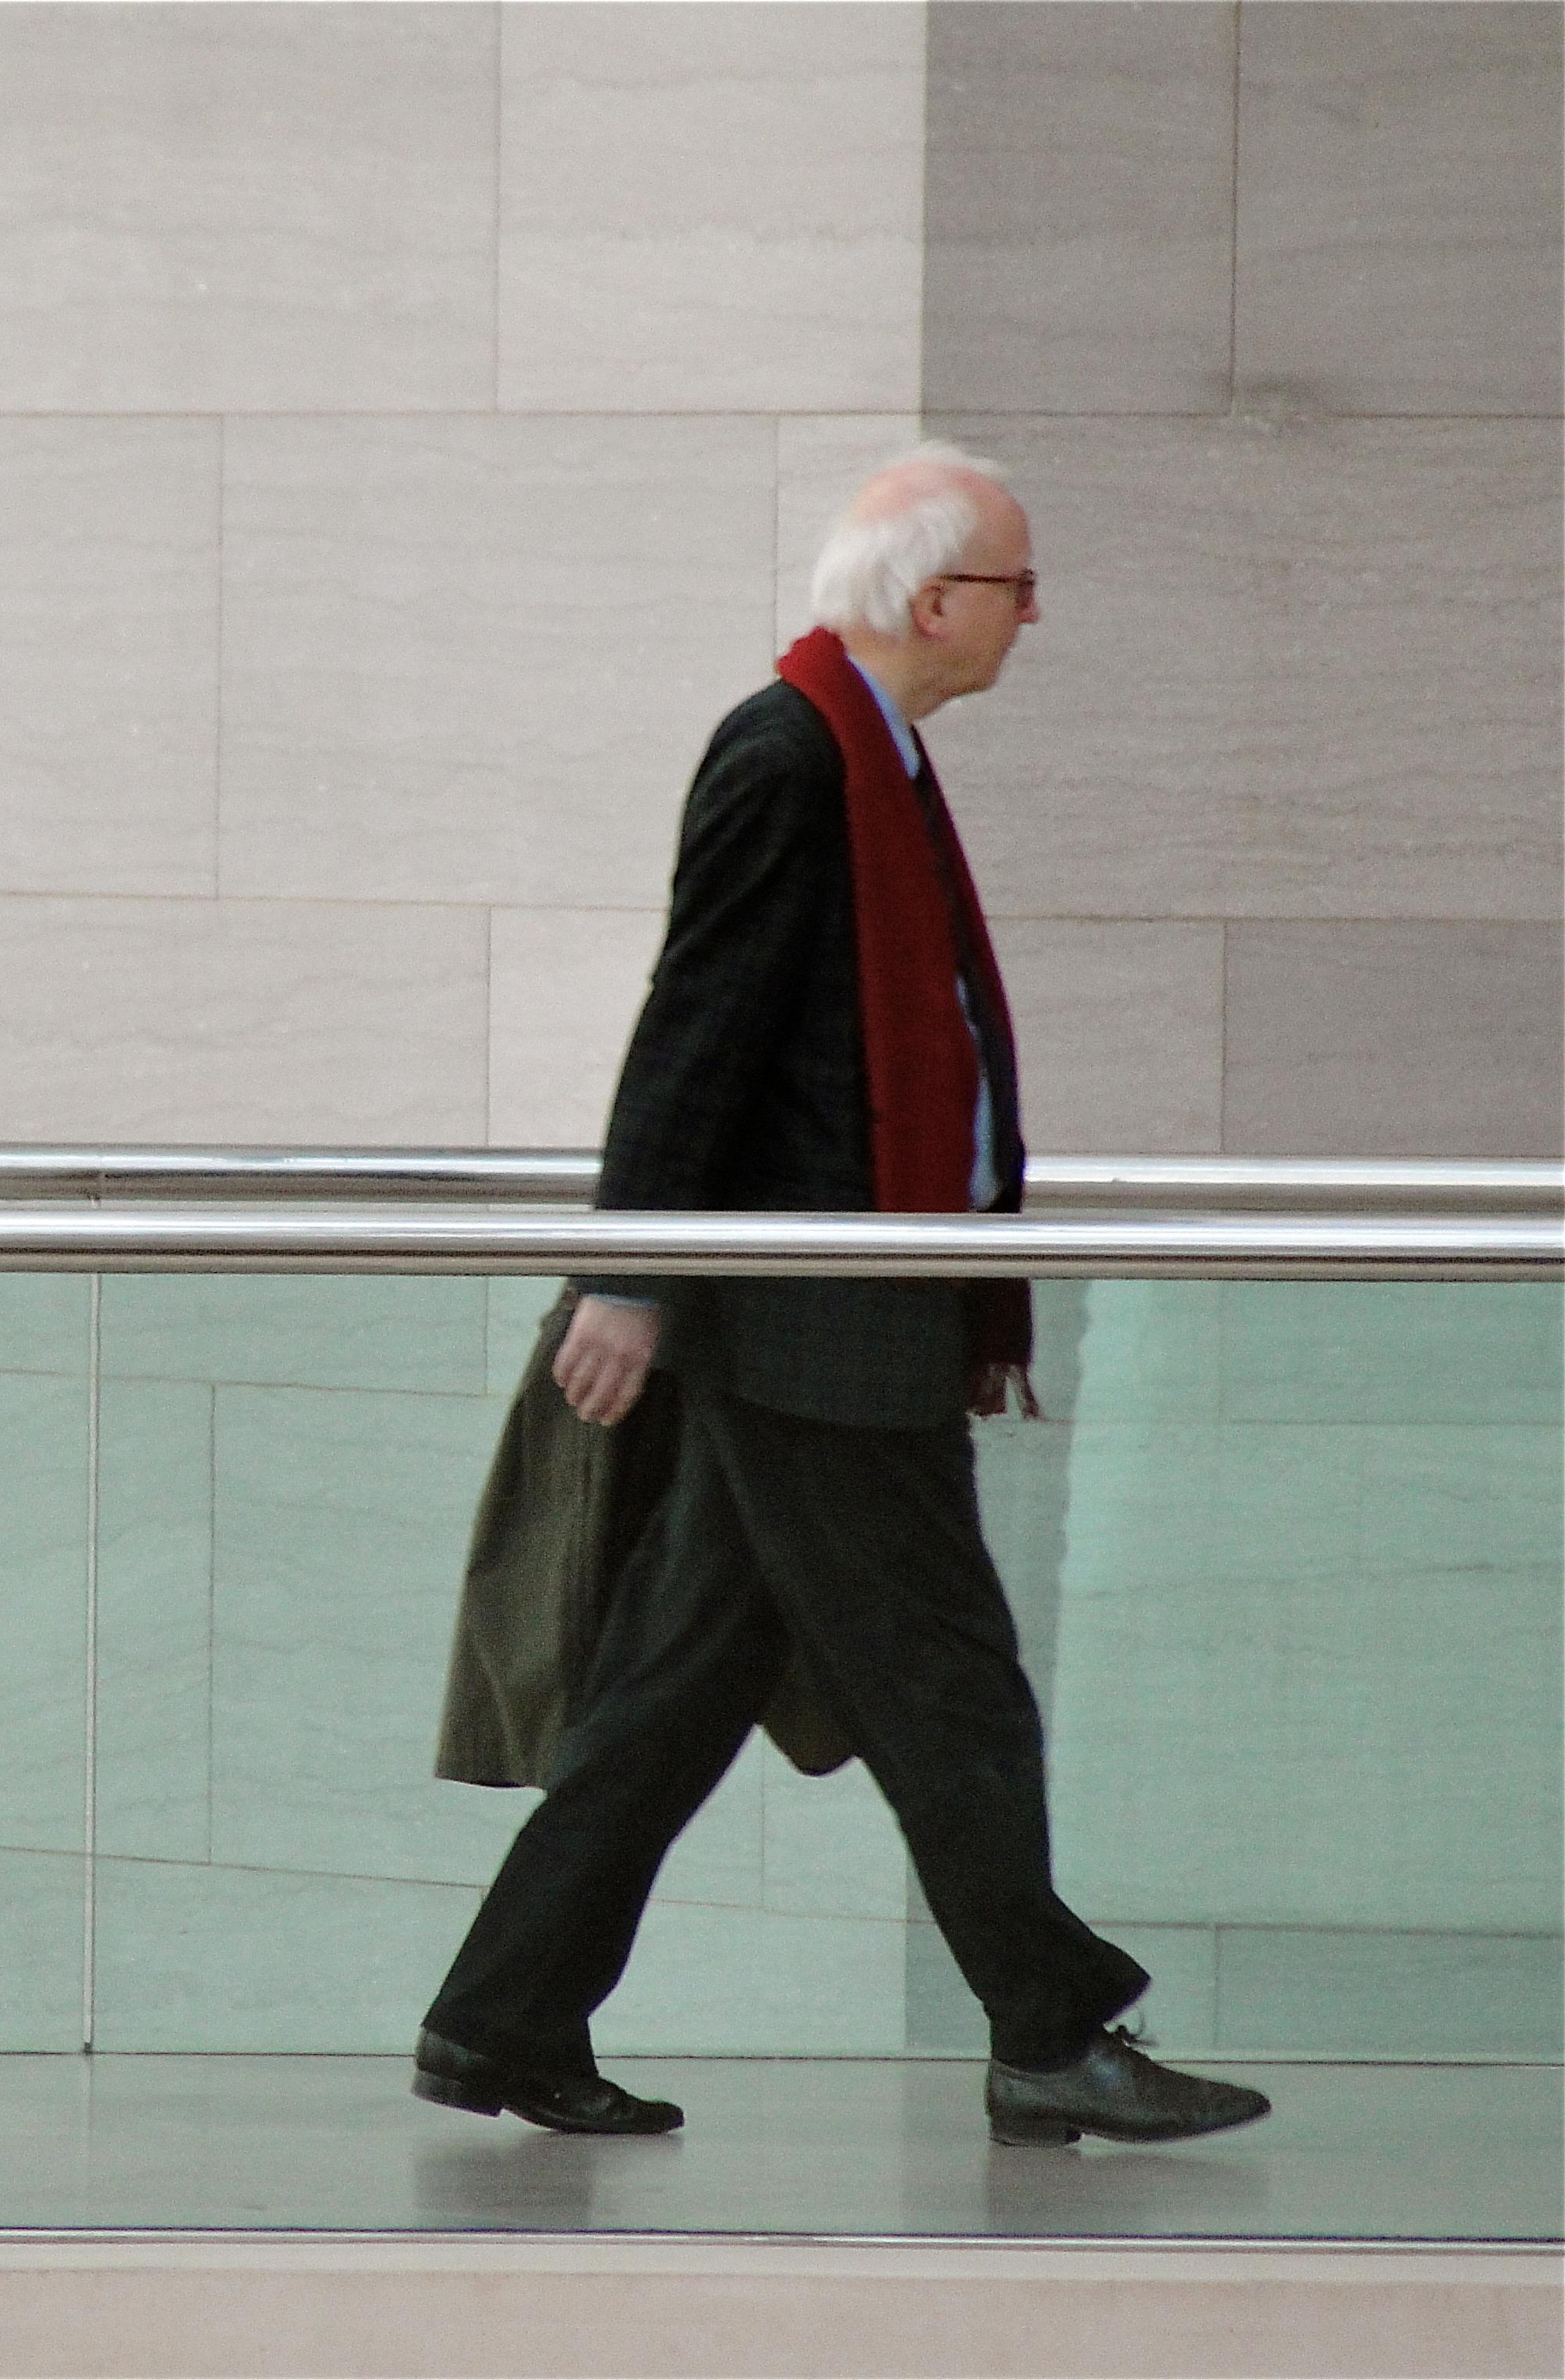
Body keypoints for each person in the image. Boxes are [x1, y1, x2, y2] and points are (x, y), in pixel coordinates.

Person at [411, 445, 1271, 2150]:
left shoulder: (874, 757)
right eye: (1020, 584)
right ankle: (1049, 2024)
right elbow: (696, 1024)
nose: (1036, 615)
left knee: (676, 1690)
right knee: (948, 1677)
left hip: (848, 1304)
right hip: (812, 1321)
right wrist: (632, 1278)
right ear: (935, 599)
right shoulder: (791, 751)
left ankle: (499, 2018)